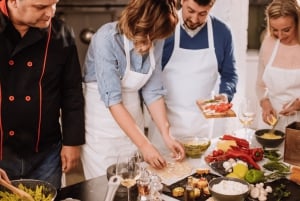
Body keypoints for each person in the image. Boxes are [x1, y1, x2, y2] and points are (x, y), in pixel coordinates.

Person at [81, 0, 185, 179]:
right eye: (152, 35)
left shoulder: (156, 37)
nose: (154, 41)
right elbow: (112, 100)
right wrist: (145, 146)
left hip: (133, 126)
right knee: (104, 188)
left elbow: (153, 91)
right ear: (141, 22)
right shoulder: (107, 38)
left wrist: (166, 134)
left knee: (132, 186)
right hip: (102, 128)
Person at [0, 0, 85, 188]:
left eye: (54, 4)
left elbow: (71, 91)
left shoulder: (61, 34)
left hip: (46, 153)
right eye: (40, 7)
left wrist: (72, 142)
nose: (51, 13)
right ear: (13, 2)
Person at [148, 0, 238, 152]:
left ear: (212, 6)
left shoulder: (222, 32)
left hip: (201, 130)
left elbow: (230, 75)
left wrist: (225, 95)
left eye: (202, 14)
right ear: (182, 1)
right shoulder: (163, 28)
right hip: (164, 127)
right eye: (190, 10)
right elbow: (150, 79)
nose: (195, 19)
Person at [256, 0, 300, 132]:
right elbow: (260, 85)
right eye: (275, 30)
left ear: (297, 23)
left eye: (286, 30)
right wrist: (264, 102)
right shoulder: (268, 44)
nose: (280, 36)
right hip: (270, 123)